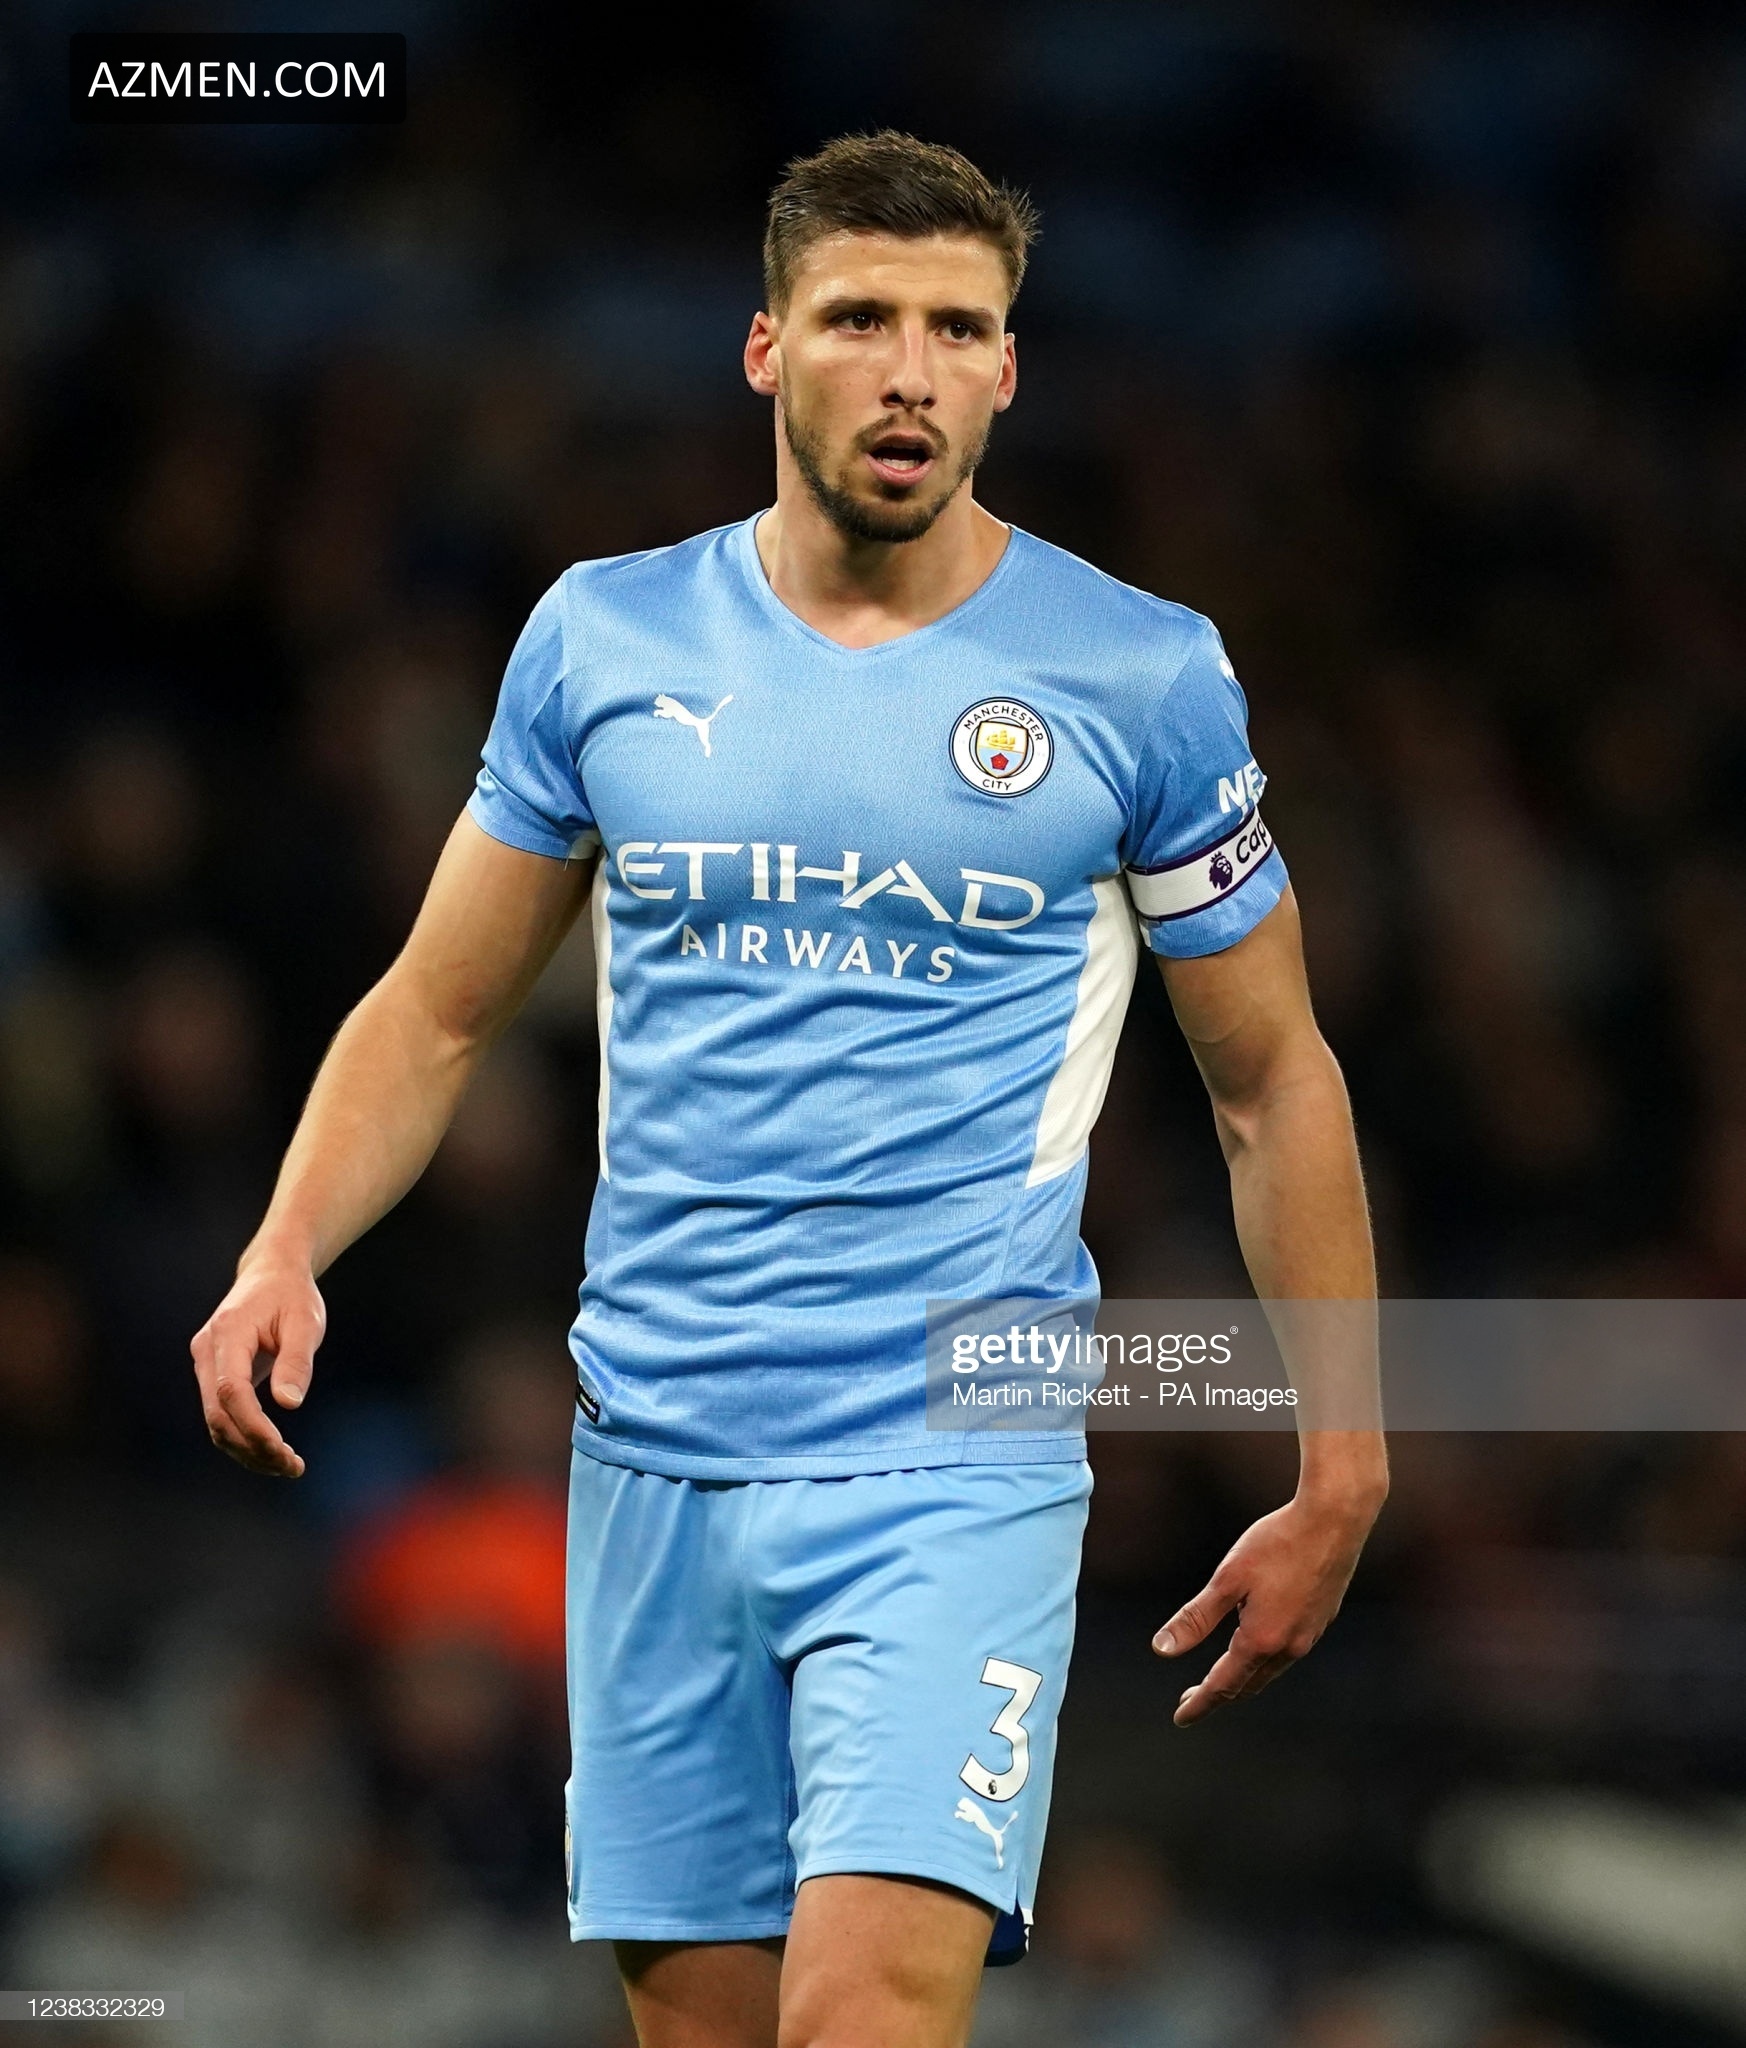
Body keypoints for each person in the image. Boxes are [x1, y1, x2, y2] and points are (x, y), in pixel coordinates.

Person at [191, 131, 1388, 2048]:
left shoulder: (1139, 678)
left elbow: (1271, 1081)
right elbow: (432, 1014)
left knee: (859, 2022)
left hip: (951, 1451)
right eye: (859, 319)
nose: (908, 371)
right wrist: (284, 1249)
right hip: (651, 1453)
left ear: (1010, 370)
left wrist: (1341, 1456)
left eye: (957, 329)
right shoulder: (605, 641)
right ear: (766, 347)